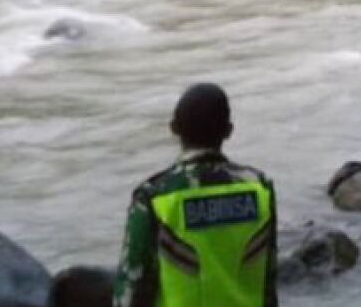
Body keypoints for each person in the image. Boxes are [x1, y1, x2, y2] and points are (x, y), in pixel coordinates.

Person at [113, 84, 278, 307]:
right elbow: (269, 280)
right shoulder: (260, 188)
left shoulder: (155, 196)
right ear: (228, 130)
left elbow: (132, 283)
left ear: (174, 128)